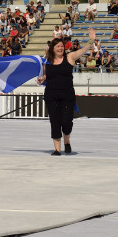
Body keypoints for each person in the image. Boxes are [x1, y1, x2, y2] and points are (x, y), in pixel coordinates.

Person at [37, 27, 96, 155]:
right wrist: (42, 79)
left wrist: (91, 40)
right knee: (55, 122)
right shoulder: (47, 62)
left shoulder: (69, 57)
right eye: (57, 46)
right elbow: (47, 76)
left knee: (66, 122)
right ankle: (57, 149)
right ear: (52, 48)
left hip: (67, 95)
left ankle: (67, 142)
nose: (60, 48)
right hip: (51, 95)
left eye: (61, 46)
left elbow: (83, 50)